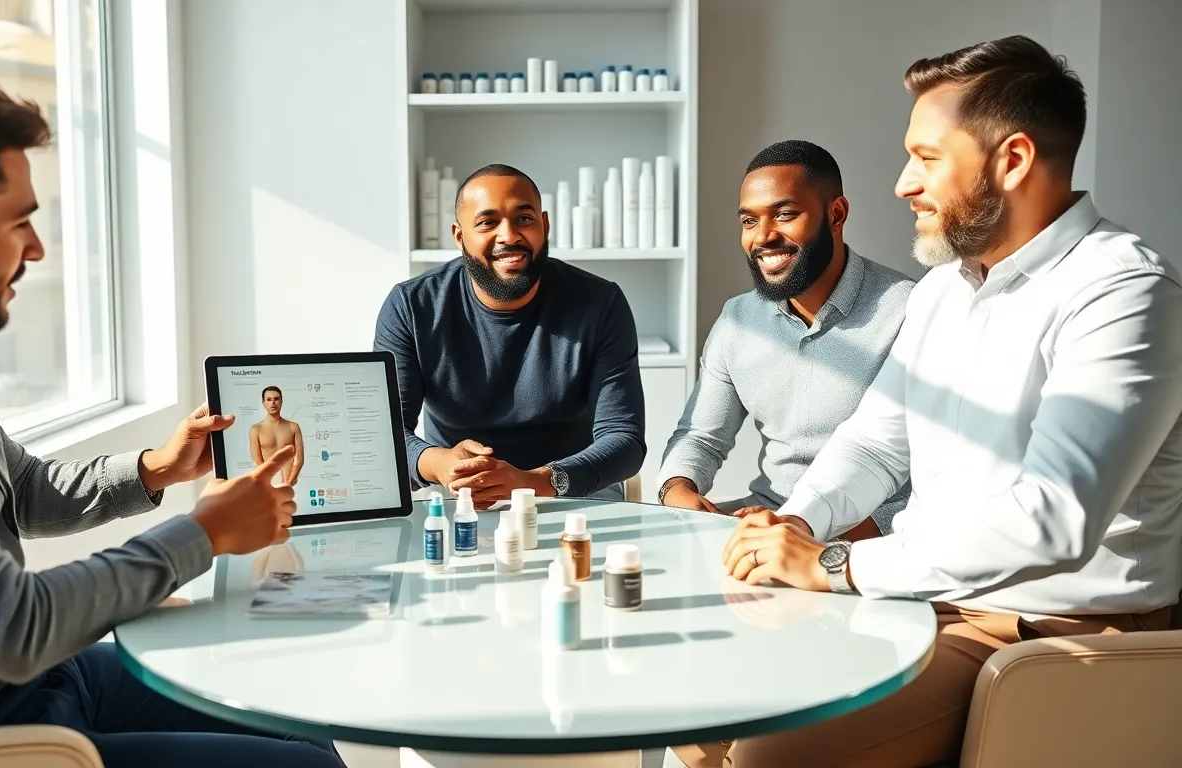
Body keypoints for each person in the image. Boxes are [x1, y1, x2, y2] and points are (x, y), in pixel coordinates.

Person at [0, 64, 341, 767]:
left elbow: (20, 492)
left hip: (31, 682)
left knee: (293, 714)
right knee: (304, 766)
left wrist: (156, 469)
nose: (38, 250)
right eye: (19, 223)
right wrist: (204, 533)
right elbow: (15, 624)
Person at [709, 36, 1182, 767]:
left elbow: (1052, 521)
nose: (902, 183)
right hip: (925, 605)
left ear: (1013, 160)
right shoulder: (941, 293)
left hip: (1054, 634)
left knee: (771, 756)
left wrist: (831, 567)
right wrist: (797, 522)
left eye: (926, 158)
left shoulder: (1124, 293)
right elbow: (876, 441)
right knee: (701, 705)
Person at [657, 140, 913, 541]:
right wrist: (677, 489)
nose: (763, 236)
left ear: (836, 214)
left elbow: (929, 480)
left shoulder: (907, 311)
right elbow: (701, 436)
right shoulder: (739, 320)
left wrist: (809, 540)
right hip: (766, 521)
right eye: (748, 221)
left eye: (785, 214)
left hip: (866, 539)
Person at [374, 164, 645, 508]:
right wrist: (440, 464)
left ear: (544, 226)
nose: (509, 236)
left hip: (567, 490)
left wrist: (532, 481)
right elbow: (386, 431)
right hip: (455, 493)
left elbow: (624, 439)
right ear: (459, 236)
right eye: (488, 222)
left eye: (524, 219)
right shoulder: (411, 307)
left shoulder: (600, 303)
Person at [251, 385, 305, 486]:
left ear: (281, 401)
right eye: (269, 399)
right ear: (263, 403)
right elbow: (257, 461)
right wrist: (267, 483)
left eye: (276, 399)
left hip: (292, 484)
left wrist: (288, 483)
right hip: (268, 485)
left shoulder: (293, 427)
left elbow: (299, 459)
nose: (273, 403)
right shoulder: (256, 430)